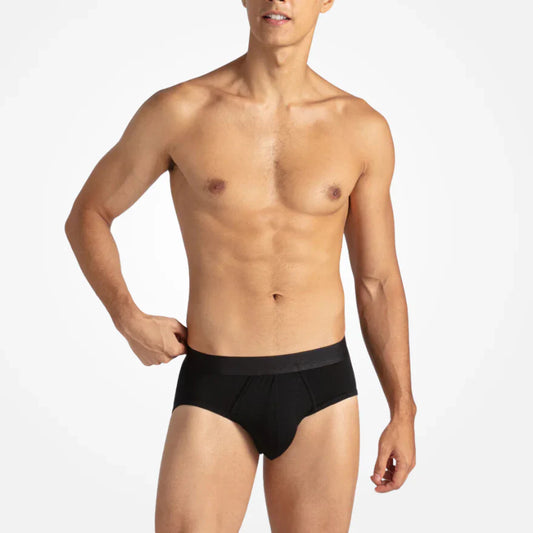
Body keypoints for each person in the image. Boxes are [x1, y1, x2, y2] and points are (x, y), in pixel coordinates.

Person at [65, 0, 417, 531]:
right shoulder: (181, 111)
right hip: (215, 382)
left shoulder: (360, 127)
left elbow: (378, 282)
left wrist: (402, 411)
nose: (278, 1)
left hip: (321, 386)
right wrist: (128, 317)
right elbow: (89, 214)